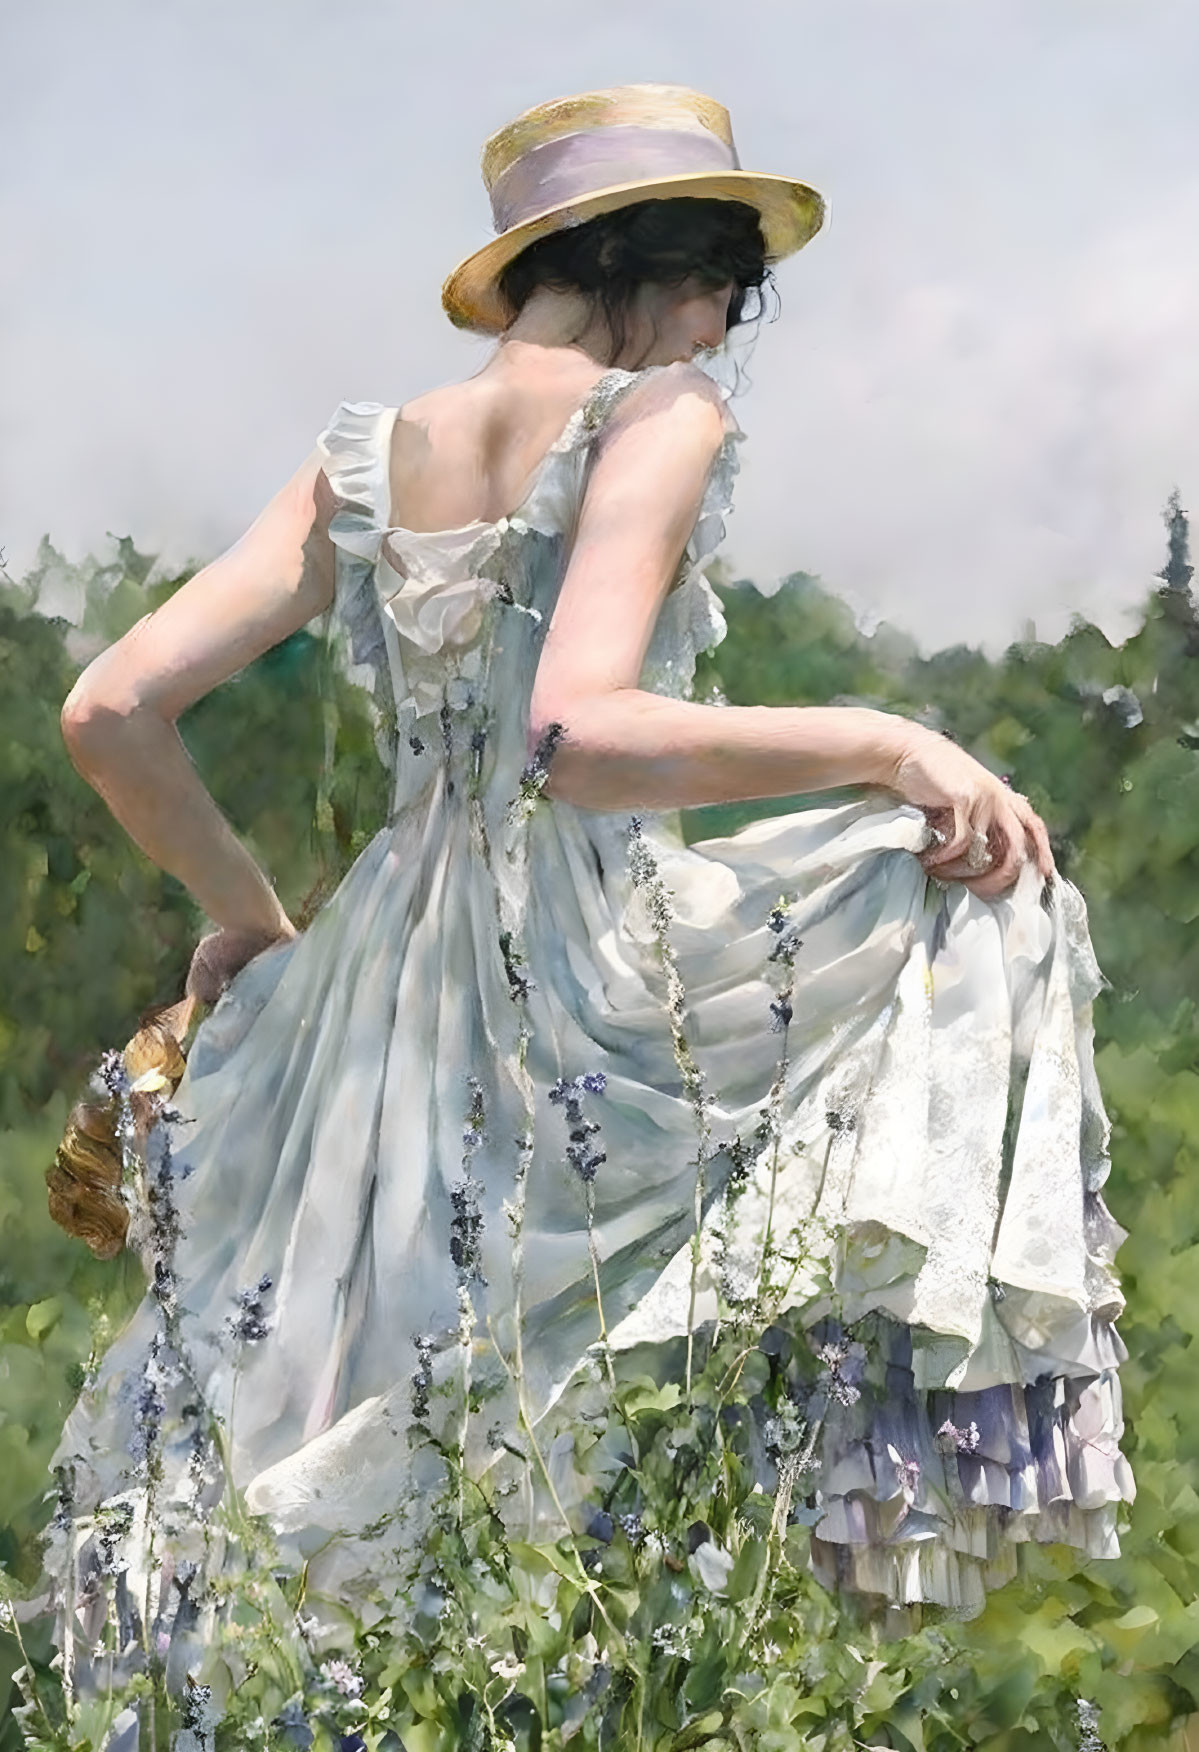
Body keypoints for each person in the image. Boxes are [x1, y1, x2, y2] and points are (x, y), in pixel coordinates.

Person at [41, 81, 1132, 1740]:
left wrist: (259, 926)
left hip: (371, 987)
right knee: (978, 905)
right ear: (663, 266)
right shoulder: (660, 410)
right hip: (566, 966)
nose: (725, 327)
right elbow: (578, 738)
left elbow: (110, 709)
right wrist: (892, 743)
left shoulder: (370, 450)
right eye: (728, 288)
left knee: (356, 1420)